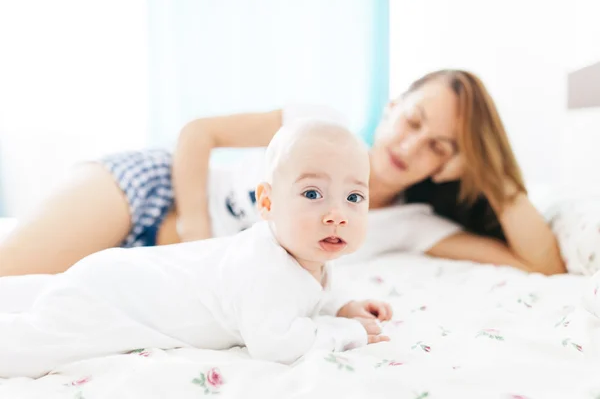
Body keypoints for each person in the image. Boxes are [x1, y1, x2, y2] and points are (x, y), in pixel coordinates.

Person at [0, 69, 565, 276]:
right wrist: (197, 234)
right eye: (414, 120)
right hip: (145, 191)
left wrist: (490, 176)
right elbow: (200, 133)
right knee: (11, 274)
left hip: (152, 273)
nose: (412, 145)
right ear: (393, 106)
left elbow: (541, 263)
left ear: (449, 165)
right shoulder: (318, 122)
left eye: (439, 146)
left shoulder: (414, 223)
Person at [0, 120, 392, 378]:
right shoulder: (265, 268)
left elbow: (313, 288)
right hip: (122, 301)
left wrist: (341, 305)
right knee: (34, 344)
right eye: (312, 193)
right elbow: (277, 344)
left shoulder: (303, 255)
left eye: (355, 197)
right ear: (267, 204)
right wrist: (344, 330)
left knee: (44, 291)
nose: (337, 214)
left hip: (115, 275)